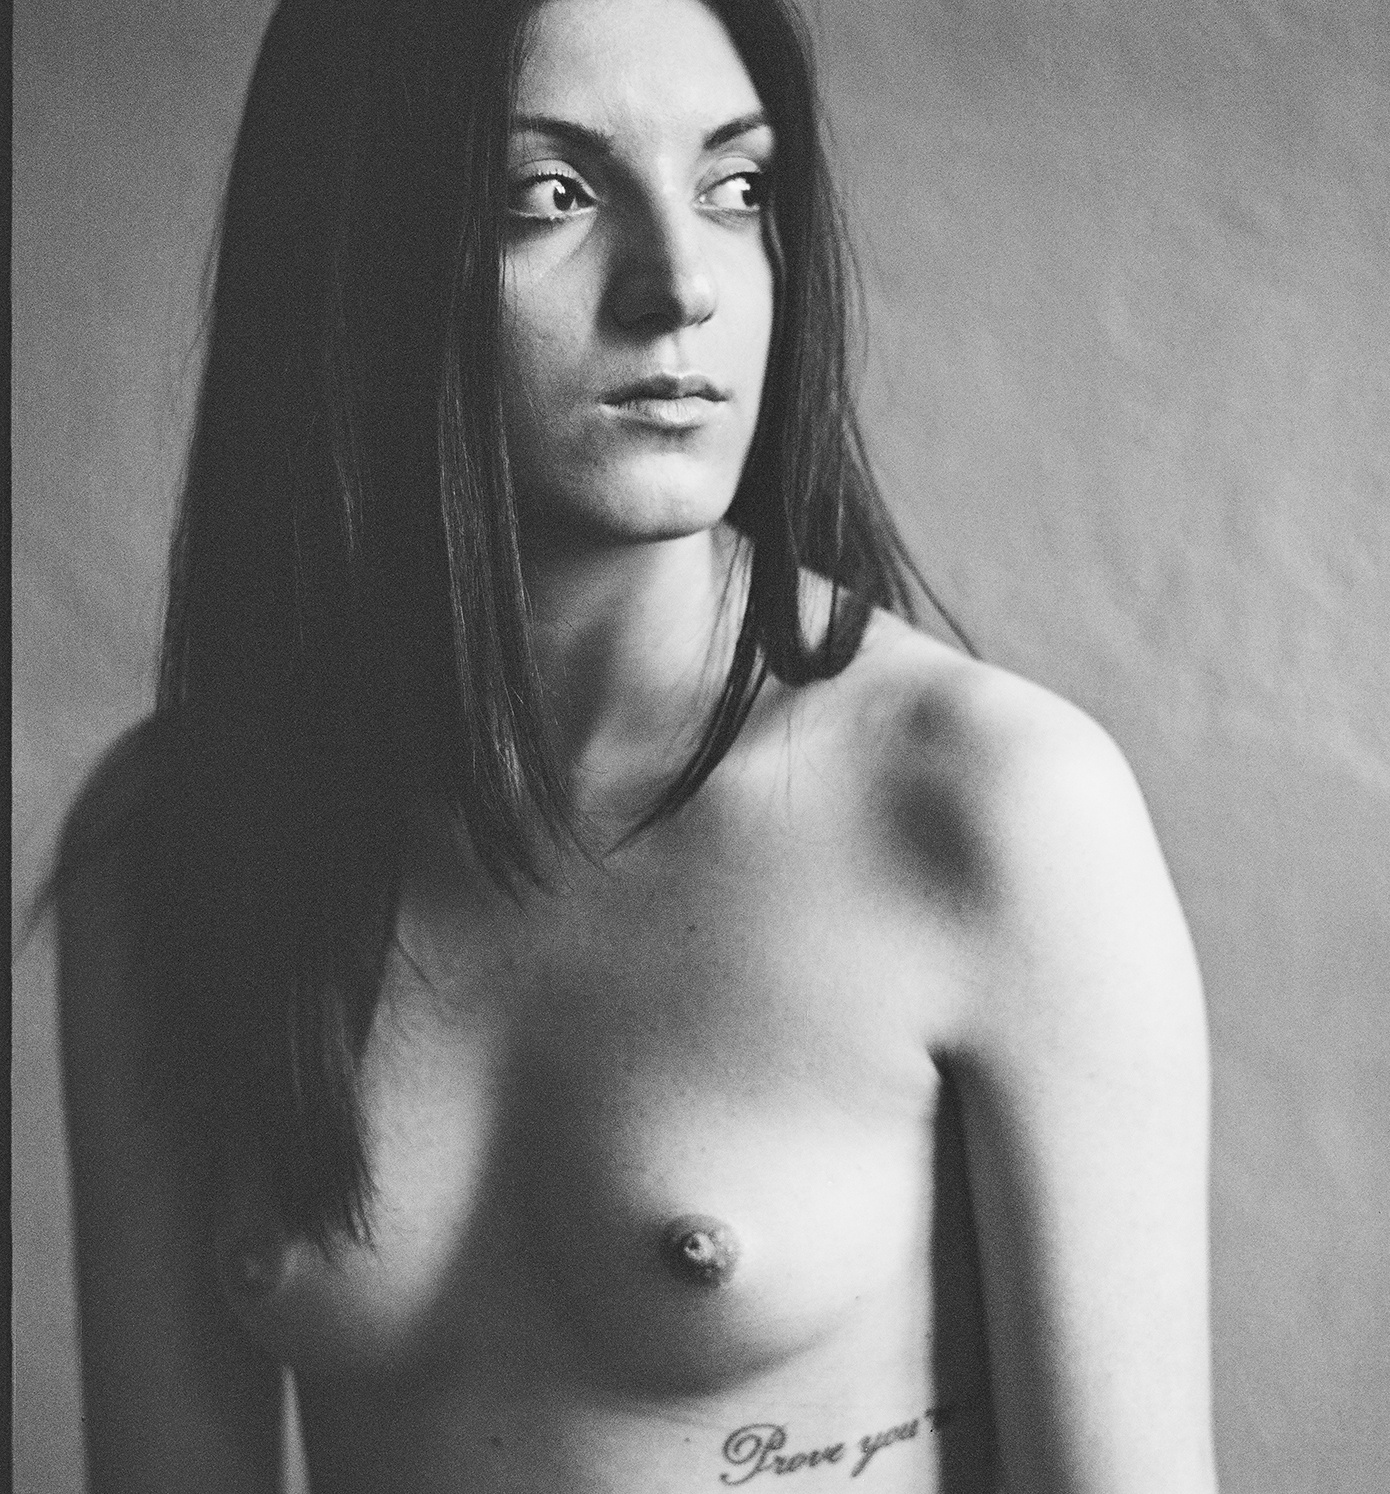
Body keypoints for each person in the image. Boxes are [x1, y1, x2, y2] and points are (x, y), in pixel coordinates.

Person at [54, 0, 1218, 1489]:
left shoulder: (985, 807)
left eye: (736, 187)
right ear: (355, 254)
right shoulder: (174, 839)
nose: (682, 287)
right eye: (551, 194)